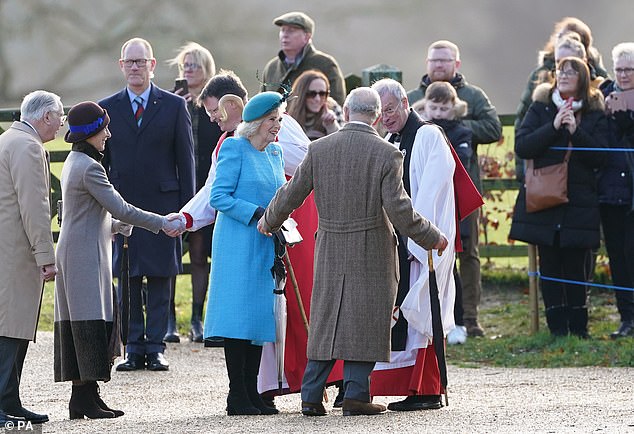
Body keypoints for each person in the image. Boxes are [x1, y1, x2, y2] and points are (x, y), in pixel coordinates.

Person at [258, 87, 448, 417]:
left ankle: (311, 395)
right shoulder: (386, 154)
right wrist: (433, 236)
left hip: (330, 246)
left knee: (326, 319)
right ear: (376, 117)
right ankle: (357, 395)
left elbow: (291, 193)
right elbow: (400, 211)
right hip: (372, 248)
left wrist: (268, 220)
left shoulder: (319, 149)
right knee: (367, 318)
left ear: (345, 112)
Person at [54, 102, 183, 419]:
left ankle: (85, 396)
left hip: (81, 249)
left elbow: (86, 216)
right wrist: (161, 222)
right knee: (88, 324)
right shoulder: (90, 167)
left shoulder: (75, 161)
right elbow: (122, 208)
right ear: (92, 133)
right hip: (84, 255)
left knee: (84, 323)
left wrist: (114, 226)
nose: (108, 134)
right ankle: (83, 398)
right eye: (104, 129)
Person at [99, 37, 194, 372]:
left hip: (163, 205)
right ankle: (133, 347)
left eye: (141, 62)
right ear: (121, 66)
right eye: (130, 62)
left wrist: (187, 213)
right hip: (123, 207)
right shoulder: (107, 108)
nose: (136, 67)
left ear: (153, 66)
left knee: (160, 277)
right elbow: (101, 164)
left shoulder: (172, 106)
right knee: (126, 278)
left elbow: (187, 161)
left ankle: (154, 347)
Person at [369, 78, 456, 411]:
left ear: (405, 102)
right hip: (398, 242)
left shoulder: (429, 136)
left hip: (422, 243)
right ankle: (409, 386)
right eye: (381, 112)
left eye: (390, 109)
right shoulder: (389, 139)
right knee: (403, 317)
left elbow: (433, 188)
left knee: (423, 310)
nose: (386, 117)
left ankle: (428, 389)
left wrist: (419, 238)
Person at [408, 40, 502, 338]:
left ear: (456, 64)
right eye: (434, 60)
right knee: (419, 249)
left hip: (463, 187)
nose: (438, 65)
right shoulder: (414, 97)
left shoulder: (473, 96)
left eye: (445, 60)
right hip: (420, 190)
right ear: (427, 63)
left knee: (468, 252)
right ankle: (420, 315)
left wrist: (453, 122)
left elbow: (494, 128)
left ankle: (470, 318)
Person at [509, 57, 608, 338]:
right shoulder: (540, 106)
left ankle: (579, 330)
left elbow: (601, 157)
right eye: (560, 71)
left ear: (583, 79)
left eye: (571, 72)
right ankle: (556, 332)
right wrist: (553, 126)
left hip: (579, 202)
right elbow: (524, 146)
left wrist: (576, 132)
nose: (563, 75)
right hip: (546, 201)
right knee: (549, 266)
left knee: (576, 268)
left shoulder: (594, 111)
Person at [204, 91, 288, 416]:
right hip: (237, 244)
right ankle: (236, 394)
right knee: (238, 320)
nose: (276, 126)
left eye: (279, 119)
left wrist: (281, 221)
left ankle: (252, 392)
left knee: (257, 319)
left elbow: (281, 196)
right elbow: (219, 197)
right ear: (254, 123)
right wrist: (257, 214)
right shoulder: (234, 148)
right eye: (271, 120)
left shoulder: (276, 153)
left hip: (265, 244)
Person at [0, 90, 61, 425]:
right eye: (59, 117)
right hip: (17, 252)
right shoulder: (27, 146)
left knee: (13, 327)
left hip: (7, 248)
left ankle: (10, 400)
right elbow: (35, 206)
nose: (61, 124)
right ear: (46, 116)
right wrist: (45, 255)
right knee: (10, 329)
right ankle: (4, 401)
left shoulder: (9, 139)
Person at [164, 42, 222, 343]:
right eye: (185, 65)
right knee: (173, 255)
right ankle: (169, 320)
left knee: (199, 255)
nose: (188, 70)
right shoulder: (172, 102)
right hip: (177, 187)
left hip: (207, 186)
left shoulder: (216, 106)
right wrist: (179, 105)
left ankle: (198, 318)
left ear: (206, 70)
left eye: (194, 65)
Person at [413, 81, 474, 346]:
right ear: (425, 105)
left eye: (443, 108)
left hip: (450, 207)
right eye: (433, 107)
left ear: (453, 107)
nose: (438, 113)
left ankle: (457, 321)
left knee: (451, 268)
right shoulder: (417, 130)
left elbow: (461, 161)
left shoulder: (461, 131)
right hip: (419, 203)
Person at [597, 42, 634, 338]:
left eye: (629, 69)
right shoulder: (605, 99)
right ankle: (626, 317)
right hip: (611, 191)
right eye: (619, 68)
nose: (623, 75)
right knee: (618, 258)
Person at [261, 11, 346, 106]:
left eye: (291, 31)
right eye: (283, 30)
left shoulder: (326, 65)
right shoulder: (271, 68)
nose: (285, 35)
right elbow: (261, 105)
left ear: (307, 36)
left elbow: (337, 105)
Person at [287, 69, 343, 140]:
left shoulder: (333, 108)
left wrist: (331, 126)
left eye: (322, 94)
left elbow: (343, 142)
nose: (318, 99)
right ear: (301, 94)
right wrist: (304, 137)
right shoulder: (287, 112)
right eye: (312, 94)